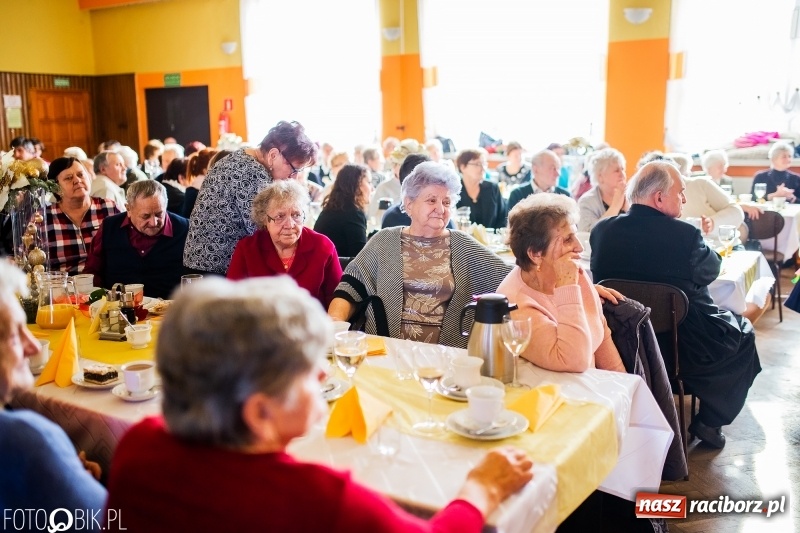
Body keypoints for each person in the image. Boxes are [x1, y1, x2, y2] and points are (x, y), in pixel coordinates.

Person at [105, 276, 532, 532]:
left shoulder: (138, 446)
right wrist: (482, 489)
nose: (324, 376)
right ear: (259, 413)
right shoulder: (319, 500)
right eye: (309, 369)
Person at [590, 161, 761, 448]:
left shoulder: (602, 231)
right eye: (681, 192)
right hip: (683, 349)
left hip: (624, 345)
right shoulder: (685, 235)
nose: (684, 199)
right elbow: (712, 269)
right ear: (659, 198)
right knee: (743, 334)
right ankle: (709, 422)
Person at [329, 162, 512, 346]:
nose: (441, 209)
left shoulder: (463, 245)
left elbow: (512, 277)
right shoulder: (384, 241)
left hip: (445, 355)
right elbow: (350, 287)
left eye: (446, 202)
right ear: (409, 204)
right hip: (387, 351)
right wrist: (336, 325)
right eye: (431, 200)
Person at [0, 262, 106, 516]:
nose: (34, 347)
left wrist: (64, 475)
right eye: (14, 336)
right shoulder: (29, 439)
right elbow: (108, 519)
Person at [498, 193, 625, 373]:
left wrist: (625, 384)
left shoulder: (574, 274)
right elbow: (573, 361)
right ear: (535, 254)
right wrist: (567, 288)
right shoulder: (516, 306)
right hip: (548, 390)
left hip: (592, 386)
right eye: (567, 239)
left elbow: (602, 334)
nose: (580, 247)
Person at [183, 121, 317, 275]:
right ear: (273, 155)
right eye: (294, 170)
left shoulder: (242, 156)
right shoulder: (252, 174)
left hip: (202, 261)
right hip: (215, 268)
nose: (294, 177)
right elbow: (267, 230)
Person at [228, 180, 341, 307]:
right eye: (280, 217)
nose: (290, 224)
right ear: (264, 219)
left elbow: (337, 298)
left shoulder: (323, 246)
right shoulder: (247, 249)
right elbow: (232, 300)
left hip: (310, 319)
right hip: (261, 319)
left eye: (296, 215)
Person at [83, 180, 188, 299]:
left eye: (159, 214)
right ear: (128, 209)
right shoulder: (109, 227)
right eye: (145, 216)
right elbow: (92, 271)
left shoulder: (184, 229)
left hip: (170, 306)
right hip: (118, 305)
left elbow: (196, 278)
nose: (153, 223)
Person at [45, 157, 120, 274]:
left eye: (81, 175)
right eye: (68, 178)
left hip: (106, 281)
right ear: (55, 188)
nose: (77, 180)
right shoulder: (45, 218)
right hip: (63, 283)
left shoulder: (108, 208)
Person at [313, 164, 372, 257]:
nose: (372, 188)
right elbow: (360, 257)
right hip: (338, 266)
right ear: (357, 185)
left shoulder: (331, 209)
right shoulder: (353, 214)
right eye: (369, 182)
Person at [369, 139, 426, 219]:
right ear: (394, 165)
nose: (411, 170)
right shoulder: (384, 188)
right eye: (405, 165)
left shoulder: (426, 187)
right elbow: (374, 217)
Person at [577, 148, 628, 232]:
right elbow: (587, 233)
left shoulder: (632, 196)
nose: (622, 174)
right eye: (616, 171)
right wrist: (615, 207)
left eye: (622, 169)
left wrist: (630, 209)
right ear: (600, 177)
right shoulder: (586, 202)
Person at [456, 148, 506, 229]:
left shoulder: (492, 188)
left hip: (491, 236)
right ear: (463, 167)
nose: (483, 168)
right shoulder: (455, 190)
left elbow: (503, 218)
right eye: (477, 164)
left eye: (484, 164)